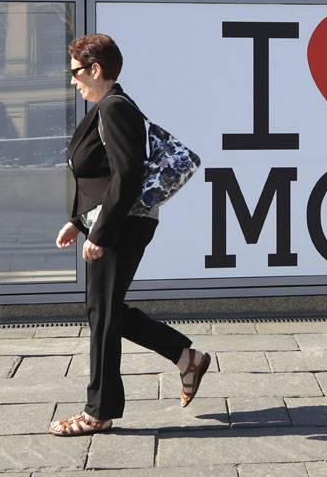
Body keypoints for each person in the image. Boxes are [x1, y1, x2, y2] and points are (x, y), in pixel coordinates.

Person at [49, 34, 210, 436]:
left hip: (123, 224)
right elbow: (97, 176)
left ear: (95, 70)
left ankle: (98, 411)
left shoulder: (116, 108)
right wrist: (79, 221)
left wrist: (100, 234)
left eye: (75, 73)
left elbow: (127, 175)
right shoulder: (106, 108)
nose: (73, 81)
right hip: (112, 221)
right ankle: (185, 357)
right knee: (104, 311)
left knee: (102, 313)